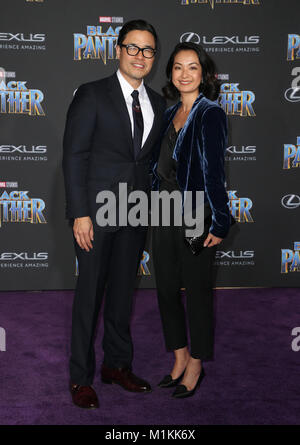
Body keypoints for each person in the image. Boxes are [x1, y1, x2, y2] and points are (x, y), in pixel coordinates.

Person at [63, 19, 166, 409]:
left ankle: (117, 365)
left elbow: (149, 161)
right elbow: (74, 156)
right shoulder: (91, 95)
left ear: (154, 58)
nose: (141, 56)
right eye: (133, 48)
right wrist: (80, 213)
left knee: (123, 294)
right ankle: (80, 378)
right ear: (118, 50)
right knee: (89, 295)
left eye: (149, 50)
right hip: (96, 215)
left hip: (137, 213)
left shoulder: (158, 102)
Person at [152, 42, 232, 398]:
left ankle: (197, 364)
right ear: (170, 73)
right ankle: (179, 356)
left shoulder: (210, 113)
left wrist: (219, 221)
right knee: (167, 290)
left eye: (193, 67)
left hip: (196, 214)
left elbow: (214, 171)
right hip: (162, 212)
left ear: (204, 74)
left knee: (197, 293)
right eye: (178, 67)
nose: (185, 74)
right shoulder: (169, 114)